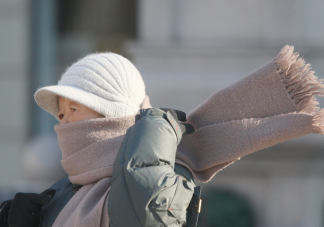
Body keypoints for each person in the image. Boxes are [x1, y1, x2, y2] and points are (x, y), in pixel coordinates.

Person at [0, 53, 201, 227]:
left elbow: (145, 216)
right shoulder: (60, 193)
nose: (64, 124)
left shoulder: (167, 176)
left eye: (74, 109)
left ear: (114, 114)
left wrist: (152, 132)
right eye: (61, 115)